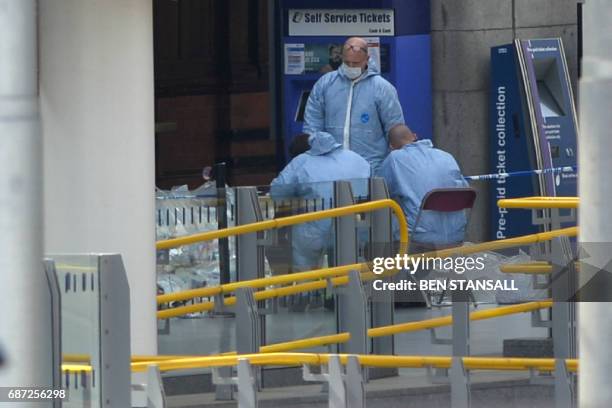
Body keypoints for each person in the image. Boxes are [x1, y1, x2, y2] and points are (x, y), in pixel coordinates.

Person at [270, 131, 370, 272]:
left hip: (312, 230)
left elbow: (277, 192)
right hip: (352, 227)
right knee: (347, 277)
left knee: (306, 278)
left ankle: (308, 293)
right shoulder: (356, 158)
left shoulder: (302, 161)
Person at [303, 37, 404, 175]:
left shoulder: (382, 88)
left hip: (371, 169)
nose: (350, 67)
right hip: (331, 167)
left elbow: (395, 130)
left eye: (355, 63)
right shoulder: (325, 84)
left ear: (367, 59)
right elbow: (312, 126)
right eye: (347, 62)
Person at [379, 125, 469, 246]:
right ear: (415, 136)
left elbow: (379, 191)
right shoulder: (446, 156)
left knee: (380, 214)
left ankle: (379, 263)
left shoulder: (394, 159)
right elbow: (465, 189)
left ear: (391, 147)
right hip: (457, 234)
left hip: (420, 237)